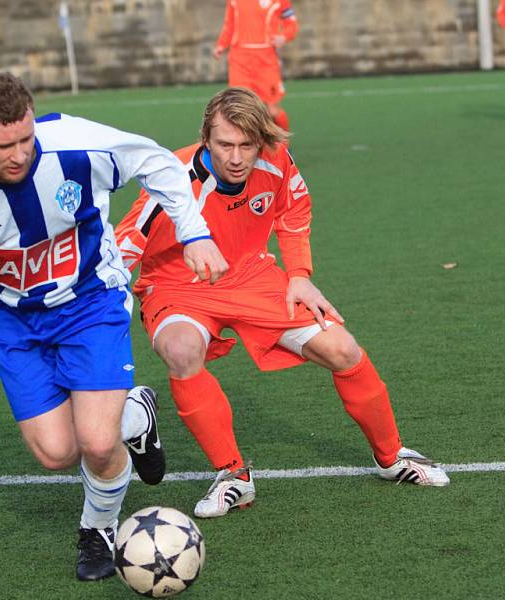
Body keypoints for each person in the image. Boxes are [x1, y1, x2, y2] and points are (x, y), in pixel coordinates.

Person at [0, 72, 228, 580]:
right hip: (14, 321)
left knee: (97, 444)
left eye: (26, 139)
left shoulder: (75, 145)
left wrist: (193, 233)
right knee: (57, 452)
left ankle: (97, 528)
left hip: (91, 300)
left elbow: (158, 161)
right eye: (3, 145)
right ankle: (135, 416)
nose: (19, 154)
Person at [115, 87, 449, 520]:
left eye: (246, 145)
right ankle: (233, 475)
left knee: (342, 349)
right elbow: (127, 241)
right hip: (180, 285)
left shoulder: (276, 159)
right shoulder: (172, 176)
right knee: (181, 350)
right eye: (225, 145)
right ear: (206, 138)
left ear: (261, 141)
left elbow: (293, 212)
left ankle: (392, 457)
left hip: (252, 276)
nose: (236, 158)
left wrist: (299, 276)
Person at [213, 0, 298, 131]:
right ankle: (249, 148)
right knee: (240, 107)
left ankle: (284, 147)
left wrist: (284, 36)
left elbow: (291, 23)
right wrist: (221, 44)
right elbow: (229, 24)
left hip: (266, 59)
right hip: (239, 59)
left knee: (272, 111)